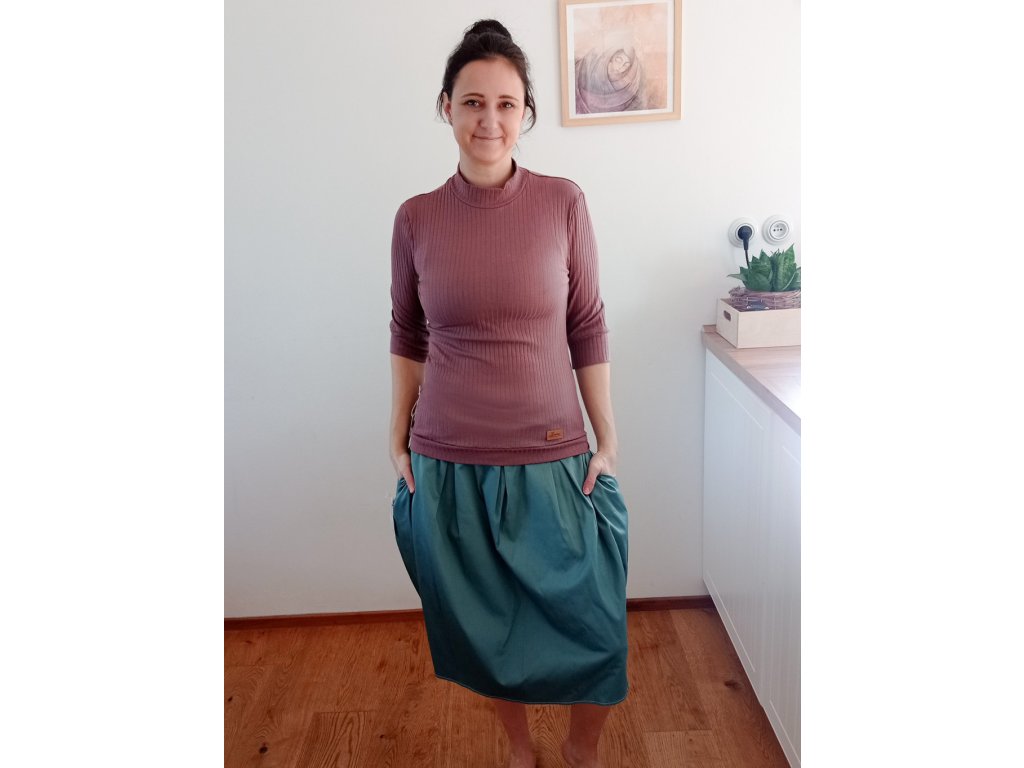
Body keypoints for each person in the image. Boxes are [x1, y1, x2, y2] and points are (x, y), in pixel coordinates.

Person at [388, 19, 629, 768]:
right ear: (446, 108)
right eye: (472, 102)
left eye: (505, 104)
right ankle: (521, 753)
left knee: (595, 625)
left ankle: (582, 753)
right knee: (488, 631)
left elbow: (587, 323)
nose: (488, 120)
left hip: (555, 455)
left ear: (525, 112)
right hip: (449, 461)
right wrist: (396, 436)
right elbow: (407, 333)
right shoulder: (416, 218)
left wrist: (607, 438)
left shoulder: (562, 203)